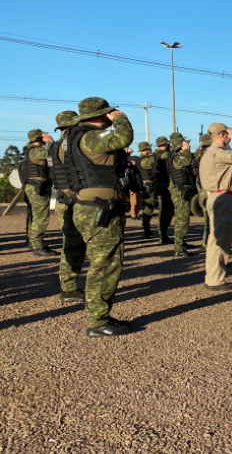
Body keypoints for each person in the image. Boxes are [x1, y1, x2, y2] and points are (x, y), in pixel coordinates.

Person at [65, 97, 134, 337]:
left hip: (87, 205)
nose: (109, 116)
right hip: (99, 208)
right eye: (107, 113)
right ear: (99, 115)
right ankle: (97, 321)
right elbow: (124, 137)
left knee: (100, 263)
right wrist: (121, 119)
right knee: (105, 265)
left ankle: (99, 315)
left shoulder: (73, 138)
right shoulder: (91, 136)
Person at [46, 111, 87, 303]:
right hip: (74, 199)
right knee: (74, 244)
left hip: (64, 198)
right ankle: (69, 288)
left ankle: (68, 286)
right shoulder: (71, 144)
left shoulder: (54, 146)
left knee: (71, 243)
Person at [198, 122, 232, 291]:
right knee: (221, 240)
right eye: (227, 134)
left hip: (214, 196)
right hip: (223, 197)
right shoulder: (220, 153)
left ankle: (212, 276)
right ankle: (215, 280)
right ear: (223, 134)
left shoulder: (208, 153)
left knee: (214, 239)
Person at [21, 128, 57, 256]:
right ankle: (38, 246)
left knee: (33, 216)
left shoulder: (30, 150)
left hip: (33, 186)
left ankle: (32, 241)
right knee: (40, 217)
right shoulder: (37, 151)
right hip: (38, 187)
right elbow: (55, 154)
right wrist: (51, 142)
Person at [167, 132, 196, 257]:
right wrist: (187, 149)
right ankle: (178, 247)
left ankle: (182, 242)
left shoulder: (178, 155)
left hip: (182, 189)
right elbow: (188, 161)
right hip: (179, 191)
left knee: (184, 218)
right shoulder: (176, 158)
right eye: (184, 142)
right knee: (182, 219)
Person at [152, 136, 174, 244]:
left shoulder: (153, 155)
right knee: (166, 210)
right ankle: (163, 235)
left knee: (162, 210)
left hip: (158, 184)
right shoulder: (165, 154)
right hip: (165, 185)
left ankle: (162, 234)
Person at [136, 142, 158, 239]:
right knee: (147, 210)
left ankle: (147, 230)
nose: (151, 150)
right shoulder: (145, 160)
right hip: (147, 186)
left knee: (147, 209)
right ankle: (146, 231)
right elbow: (153, 168)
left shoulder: (139, 159)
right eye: (149, 148)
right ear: (146, 150)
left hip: (145, 186)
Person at [193, 134, 212, 246]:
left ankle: (206, 241)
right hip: (210, 191)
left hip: (202, 191)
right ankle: (208, 242)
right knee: (212, 221)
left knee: (207, 219)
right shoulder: (212, 156)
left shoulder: (197, 157)